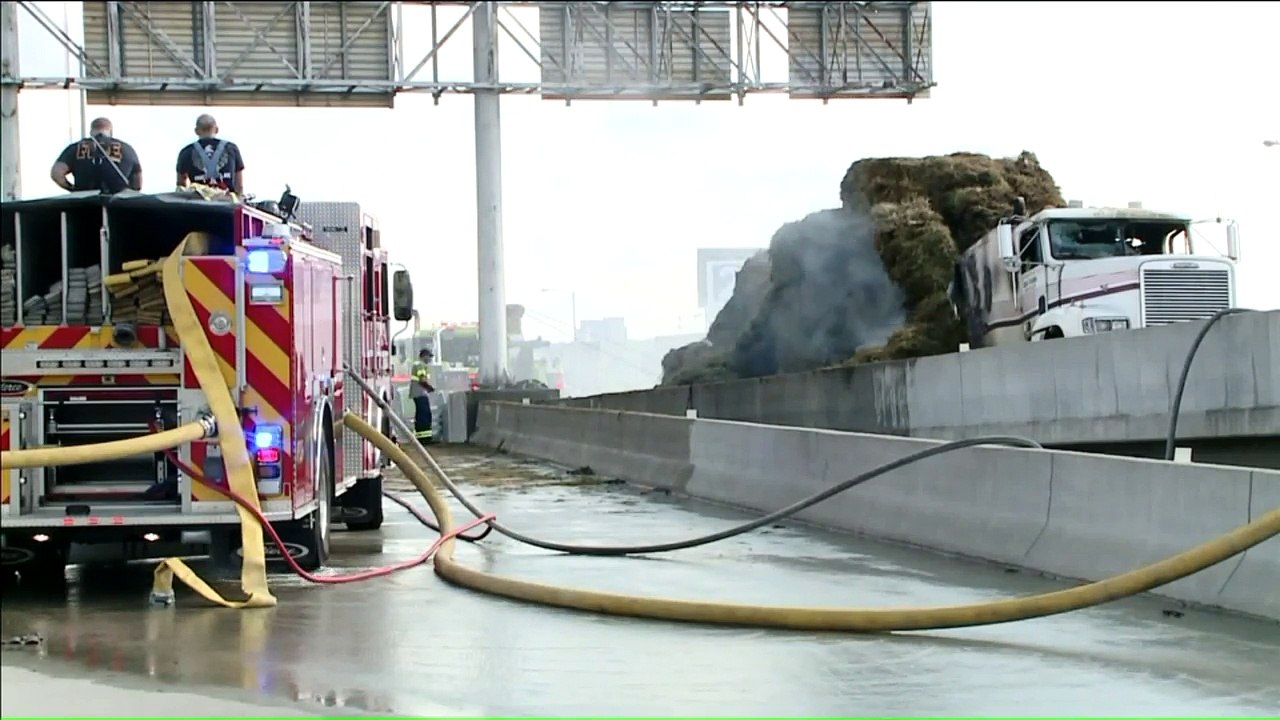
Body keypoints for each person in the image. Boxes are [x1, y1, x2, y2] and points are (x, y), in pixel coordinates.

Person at [50, 117, 142, 194]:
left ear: (91, 131)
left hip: (85, 202)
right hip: (117, 203)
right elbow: (138, 181)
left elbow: (56, 173)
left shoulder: (75, 148)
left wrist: (72, 189)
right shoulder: (127, 149)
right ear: (110, 131)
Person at [175, 113, 245, 195]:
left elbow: (181, 185)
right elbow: (239, 184)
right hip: (227, 201)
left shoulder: (186, 151)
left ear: (196, 131)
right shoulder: (231, 148)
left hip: (199, 202)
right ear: (217, 130)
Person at [410, 348, 436, 444]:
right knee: (424, 416)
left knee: (421, 415)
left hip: (418, 394)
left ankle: (422, 438)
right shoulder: (420, 365)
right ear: (424, 355)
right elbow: (422, 380)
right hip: (420, 394)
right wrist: (430, 388)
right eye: (429, 356)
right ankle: (424, 439)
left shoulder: (418, 364)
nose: (430, 359)